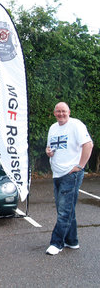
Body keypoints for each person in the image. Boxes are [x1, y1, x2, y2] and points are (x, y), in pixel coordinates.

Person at [45, 102, 93, 255]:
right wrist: (49, 152)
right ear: (54, 113)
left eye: (63, 111)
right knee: (65, 208)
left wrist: (80, 166)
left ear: (69, 112)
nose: (61, 114)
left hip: (71, 174)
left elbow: (88, 145)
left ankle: (56, 243)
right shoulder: (53, 128)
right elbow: (51, 148)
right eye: (58, 111)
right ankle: (72, 241)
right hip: (57, 174)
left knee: (64, 211)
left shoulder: (76, 125)